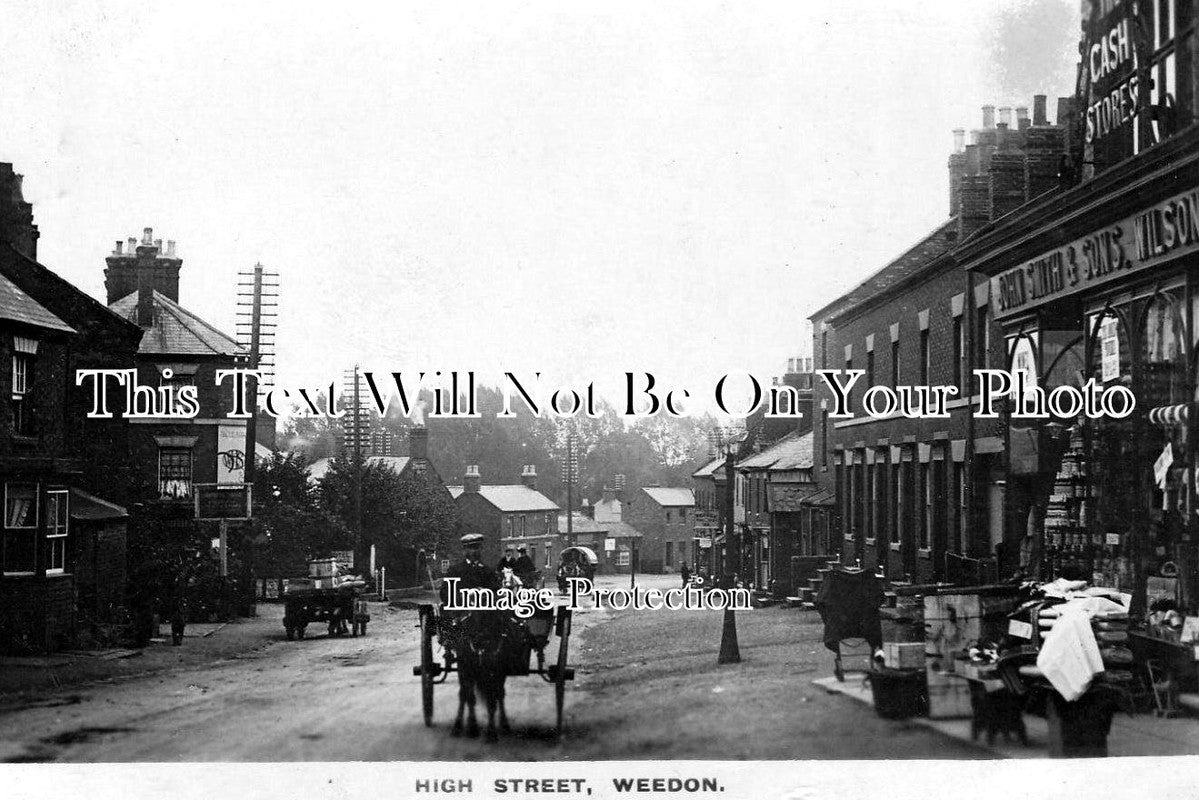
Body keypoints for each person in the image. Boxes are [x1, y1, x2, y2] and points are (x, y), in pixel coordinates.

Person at [440, 534, 502, 606]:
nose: (473, 551)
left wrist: (483, 593)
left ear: (481, 549)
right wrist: (466, 596)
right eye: (469, 548)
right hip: (461, 612)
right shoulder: (454, 571)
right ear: (464, 550)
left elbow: (496, 593)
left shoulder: (488, 571)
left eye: (476, 548)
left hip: (484, 612)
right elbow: (445, 594)